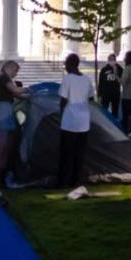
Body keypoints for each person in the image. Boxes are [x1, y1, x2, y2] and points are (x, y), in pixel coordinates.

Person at [0, 60, 28, 186]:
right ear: (8, 67)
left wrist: (32, 95)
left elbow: (18, 95)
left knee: (4, 146)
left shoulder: (6, 79)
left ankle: (0, 172)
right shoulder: (3, 78)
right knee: (1, 146)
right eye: (15, 70)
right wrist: (28, 88)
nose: (16, 73)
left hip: (6, 113)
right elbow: (16, 91)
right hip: (2, 114)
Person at [58, 53, 95, 188]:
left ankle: (63, 181)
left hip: (69, 121)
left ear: (70, 64)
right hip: (84, 121)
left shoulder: (67, 79)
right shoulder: (86, 79)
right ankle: (76, 180)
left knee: (66, 153)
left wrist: (61, 116)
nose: (65, 66)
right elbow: (91, 98)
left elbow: (63, 100)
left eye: (66, 63)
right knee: (79, 153)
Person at [97, 53, 122, 120]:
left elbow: (122, 80)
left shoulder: (119, 68)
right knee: (104, 110)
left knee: (115, 112)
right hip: (106, 93)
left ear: (115, 60)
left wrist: (115, 72)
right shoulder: (104, 70)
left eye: (113, 59)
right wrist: (99, 95)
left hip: (115, 93)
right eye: (110, 59)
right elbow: (100, 83)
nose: (111, 61)